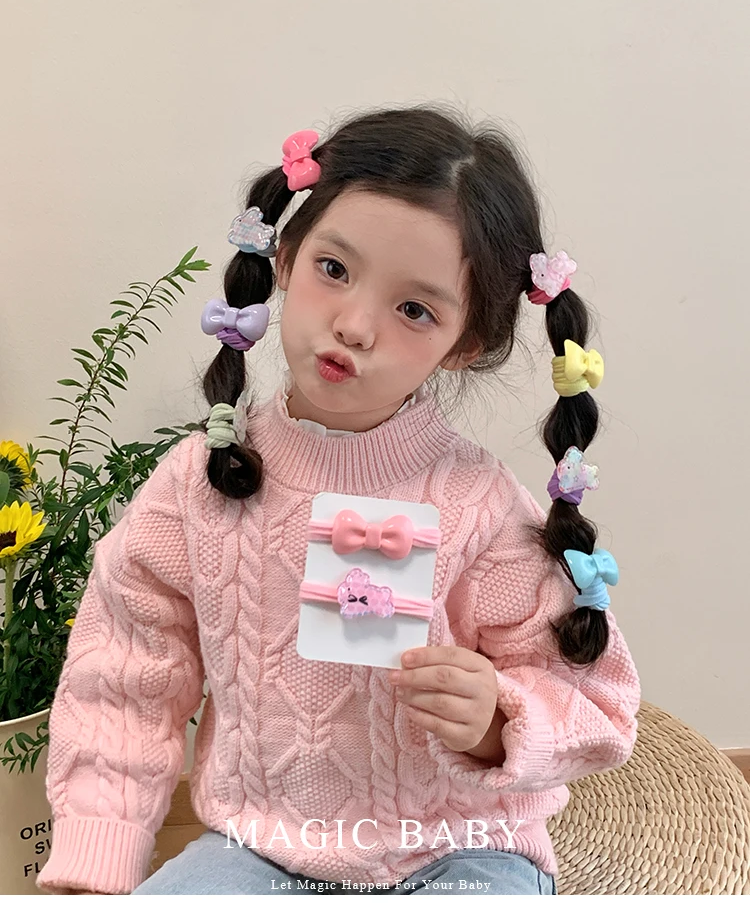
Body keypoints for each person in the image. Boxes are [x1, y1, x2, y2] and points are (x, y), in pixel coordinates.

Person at [36, 106, 640, 896]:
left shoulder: (481, 508)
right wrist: (97, 858)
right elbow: (123, 678)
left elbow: (599, 697)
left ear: (463, 344)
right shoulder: (200, 485)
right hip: (256, 848)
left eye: (414, 309)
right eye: (333, 269)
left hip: (462, 848)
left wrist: (497, 719)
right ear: (284, 258)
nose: (354, 326)